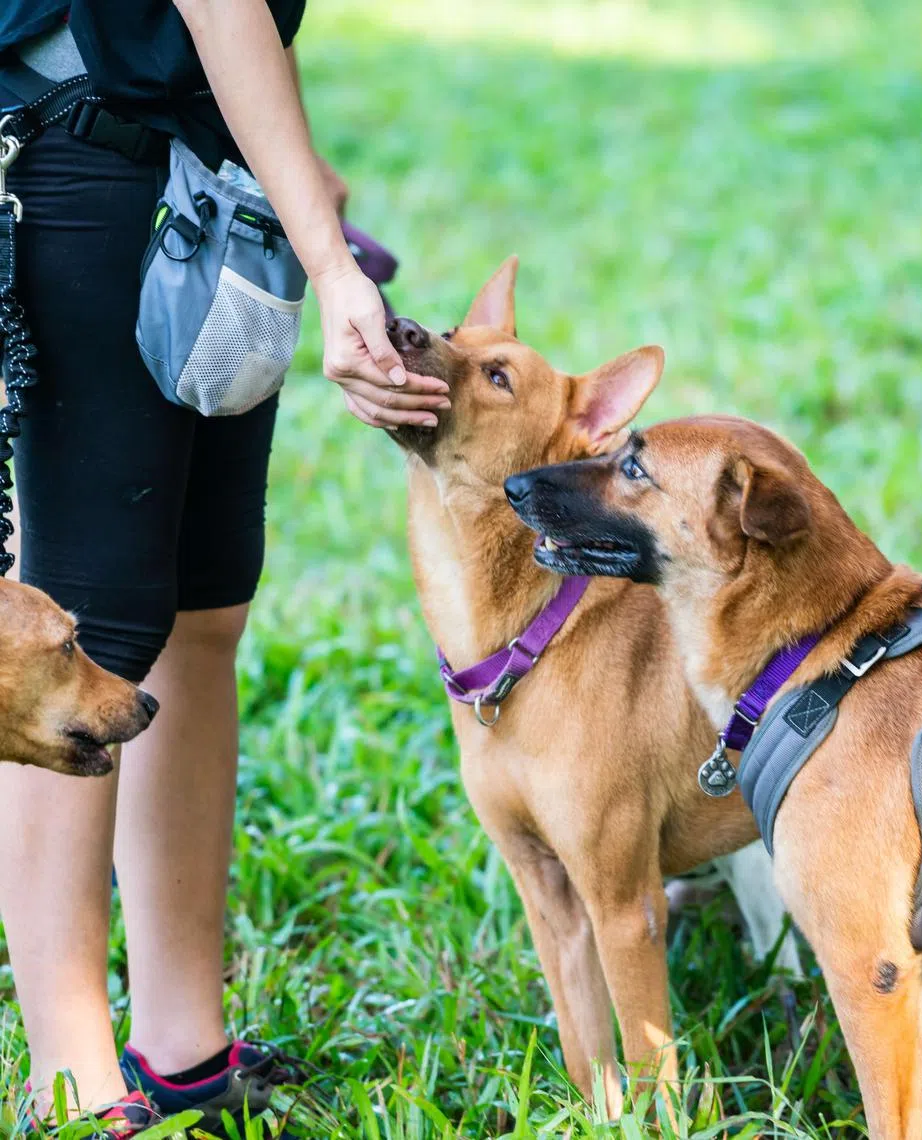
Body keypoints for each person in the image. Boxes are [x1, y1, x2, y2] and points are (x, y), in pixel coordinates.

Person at [0, 0, 448, 1132]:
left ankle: (182, 1042)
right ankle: (71, 1085)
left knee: (204, 609)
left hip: (197, 166)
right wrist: (329, 259)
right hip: (75, 160)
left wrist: (289, 161)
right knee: (78, 636)